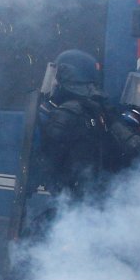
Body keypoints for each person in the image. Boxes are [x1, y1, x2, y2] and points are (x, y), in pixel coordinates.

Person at [36, 49, 111, 198]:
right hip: (86, 187)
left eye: (56, 76)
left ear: (69, 77)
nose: (53, 82)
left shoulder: (67, 112)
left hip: (67, 192)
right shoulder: (94, 108)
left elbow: (49, 158)